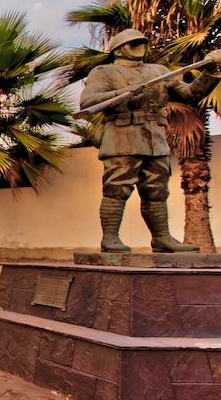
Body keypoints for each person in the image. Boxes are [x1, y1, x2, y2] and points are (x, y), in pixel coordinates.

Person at [80, 28, 221, 253]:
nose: (140, 47)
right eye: (134, 43)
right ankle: (110, 238)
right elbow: (88, 102)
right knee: (117, 188)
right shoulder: (104, 72)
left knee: (156, 190)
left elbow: (189, 94)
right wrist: (124, 92)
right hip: (122, 136)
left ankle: (162, 238)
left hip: (154, 137)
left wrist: (209, 72)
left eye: (142, 42)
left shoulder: (158, 71)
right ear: (119, 48)